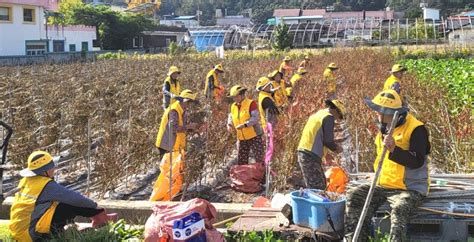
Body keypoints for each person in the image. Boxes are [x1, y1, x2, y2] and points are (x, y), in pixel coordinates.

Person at [345, 90, 431, 242]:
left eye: (380, 112)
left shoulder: (417, 129)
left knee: (399, 211)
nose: (377, 115)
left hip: (409, 188)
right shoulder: (384, 126)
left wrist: (394, 150)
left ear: (392, 113)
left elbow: (418, 161)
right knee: (355, 196)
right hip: (383, 185)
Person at [9, 151, 116, 241]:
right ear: (45, 170)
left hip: (21, 234)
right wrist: (95, 206)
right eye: (51, 167)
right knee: (68, 204)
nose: (54, 169)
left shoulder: (27, 181)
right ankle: (101, 219)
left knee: (58, 204)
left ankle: (92, 220)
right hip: (33, 236)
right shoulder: (47, 185)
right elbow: (75, 198)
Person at [296, 99, 346, 190]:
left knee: (321, 183)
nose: (337, 119)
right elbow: (328, 141)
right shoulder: (329, 117)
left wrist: (326, 154)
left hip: (305, 152)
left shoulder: (319, 114)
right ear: (336, 110)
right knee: (318, 187)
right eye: (339, 115)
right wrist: (337, 149)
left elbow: (317, 135)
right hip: (309, 154)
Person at [226, 85, 264, 165]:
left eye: (236, 97)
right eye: (233, 97)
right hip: (241, 138)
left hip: (254, 136)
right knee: (242, 161)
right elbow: (231, 115)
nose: (234, 99)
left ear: (242, 95)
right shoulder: (233, 106)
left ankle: (262, 175)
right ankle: (244, 176)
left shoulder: (251, 103)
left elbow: (255, 118)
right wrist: (229, 124)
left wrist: (245, 125)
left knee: (259, 158)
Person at [155, 89, 199, 155]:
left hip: (174, 147)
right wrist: (189, 126)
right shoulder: (174, 110)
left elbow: (182, 127)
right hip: (165, 147)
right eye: (188, 102)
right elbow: (173, 128)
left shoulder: (182, 110)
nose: (189, 105)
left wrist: (192, 128)